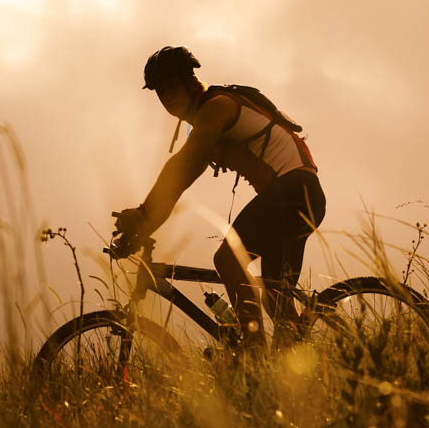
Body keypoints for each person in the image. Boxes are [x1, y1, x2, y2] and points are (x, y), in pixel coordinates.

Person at [112, 46, 325, 350]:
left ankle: (254, 354)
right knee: (277, 302)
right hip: (299, 197)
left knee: (227, 259)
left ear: (190, 82)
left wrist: (143, 212)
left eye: (171, 87)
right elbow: (177, 186)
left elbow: (180, 164)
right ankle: (297, 363)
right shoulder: (205, 129)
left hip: (292, 191)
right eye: (160, 93)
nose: (166, 97)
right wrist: (141, 230)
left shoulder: (217, 107)